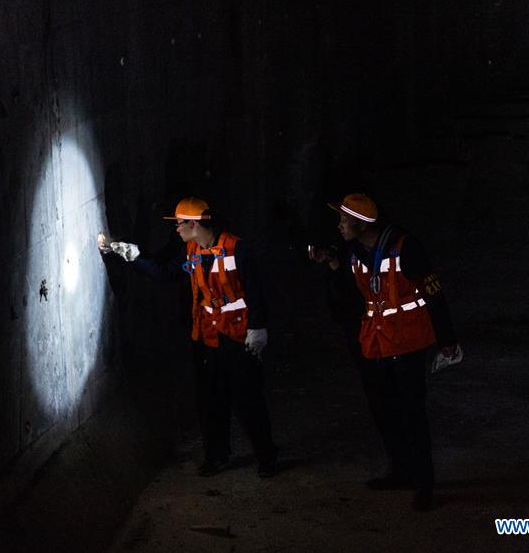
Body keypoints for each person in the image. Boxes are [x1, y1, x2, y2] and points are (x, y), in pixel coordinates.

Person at [103, 196, 278, 478]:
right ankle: (216, 455)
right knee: (210, 400)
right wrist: (131, 254)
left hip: (238, 337)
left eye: (180, 224)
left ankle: (266, 456)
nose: (176, 229)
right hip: (207, 337)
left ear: (195, 224)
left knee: (248, 399)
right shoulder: (191, 250)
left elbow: (256, 290)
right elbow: (166, 272)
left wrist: (258, 327)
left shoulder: (237, 248)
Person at [310, 193, 460, 511]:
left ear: (363, 223)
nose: (339, 225)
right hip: (376, 343)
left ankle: (423, 484)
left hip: (407, 344)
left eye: (344, 219)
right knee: (383, 410)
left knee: (412, 413)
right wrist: (334, 269)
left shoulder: (407, 247)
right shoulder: (353, 252)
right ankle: (400, 471)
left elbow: (434, 294)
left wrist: (447, 341)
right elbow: (346, 304)